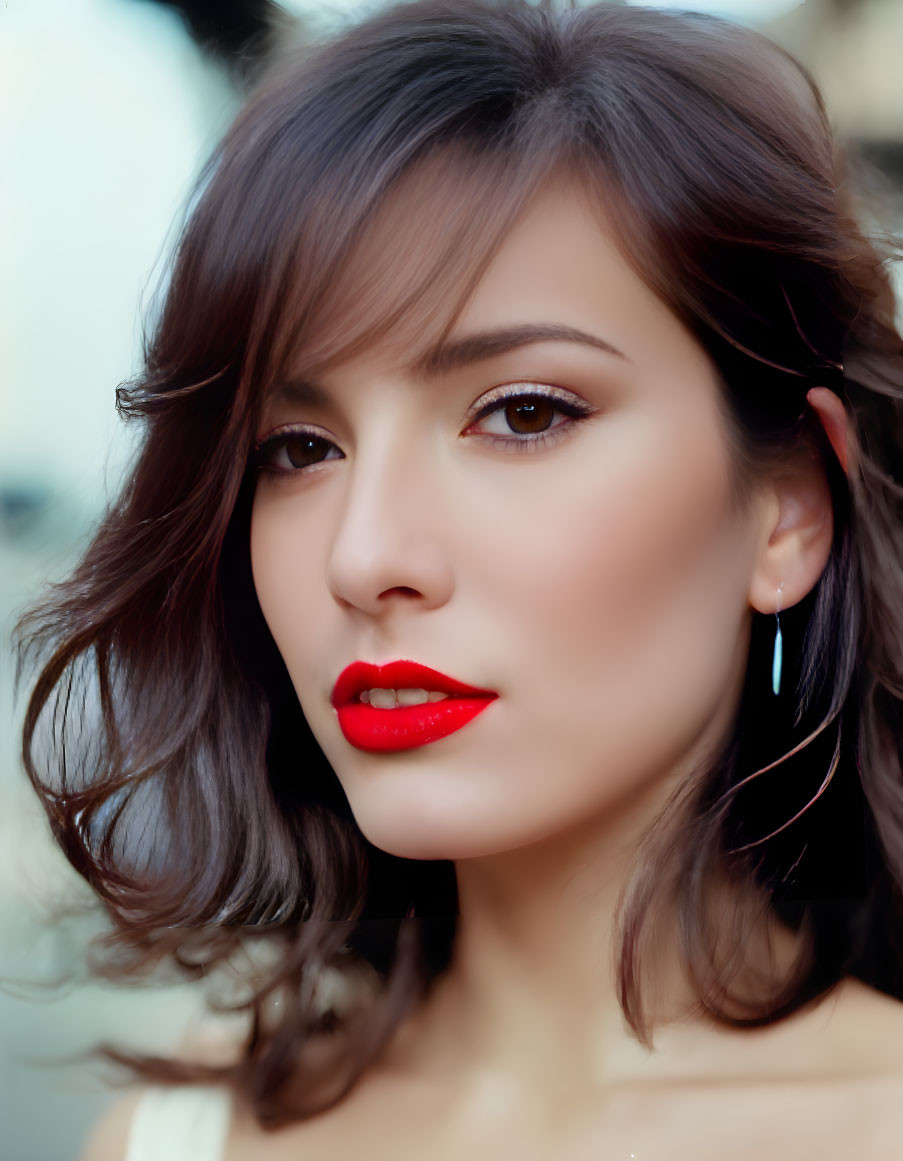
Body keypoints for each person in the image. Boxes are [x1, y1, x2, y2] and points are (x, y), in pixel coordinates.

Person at [16, 0, 903, 1157]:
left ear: (788, 508)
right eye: (298, 450)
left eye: (523, 414)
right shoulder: (175, 1140)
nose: (366, 555)